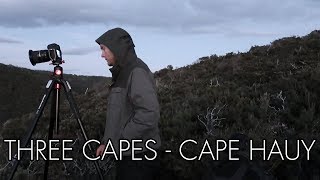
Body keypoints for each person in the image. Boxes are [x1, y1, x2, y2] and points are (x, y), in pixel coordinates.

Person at [95, 27, 161, 180]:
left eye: (104, 49)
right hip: (129, 154)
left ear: (116, 49)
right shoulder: (123, 72)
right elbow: (120, 115)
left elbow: (149, 114)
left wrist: (119, 141)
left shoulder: (136, 71)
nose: (102, 55)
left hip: (139, 158)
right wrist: (107, 143)